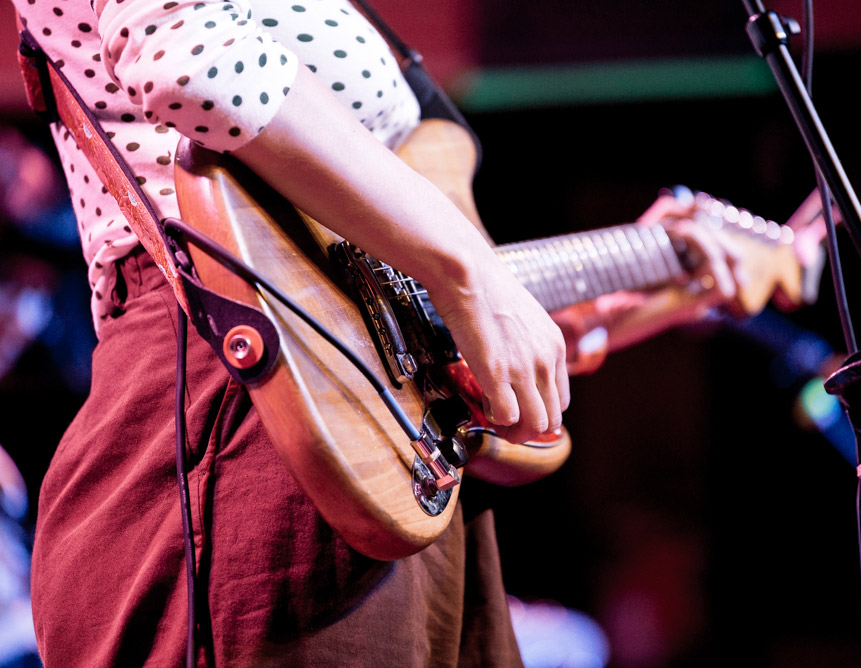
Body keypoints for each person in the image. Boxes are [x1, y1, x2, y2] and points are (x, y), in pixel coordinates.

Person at [11, 0, 752, 666]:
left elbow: (397, 288)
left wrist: (601, 299)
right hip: (241, 411)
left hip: (367, 429)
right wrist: (472, 279)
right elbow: (195, 58)